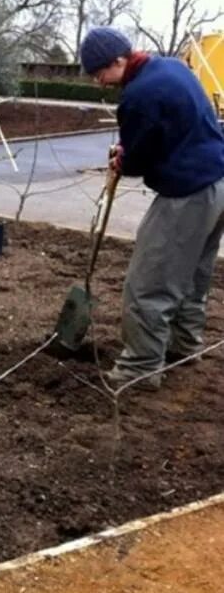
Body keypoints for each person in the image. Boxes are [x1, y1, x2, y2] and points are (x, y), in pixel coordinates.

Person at [80, 26, 224, 387]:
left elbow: (138, 161)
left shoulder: (138, 96)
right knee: (192, 273)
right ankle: (184, 345)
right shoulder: (172, 68)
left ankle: (140, 367)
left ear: (119, 60)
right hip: (218, 181)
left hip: (188, 191)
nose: (99, 83)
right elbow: (172, 127)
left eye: (101, 73)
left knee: (149, 282)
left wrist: (122, 161)